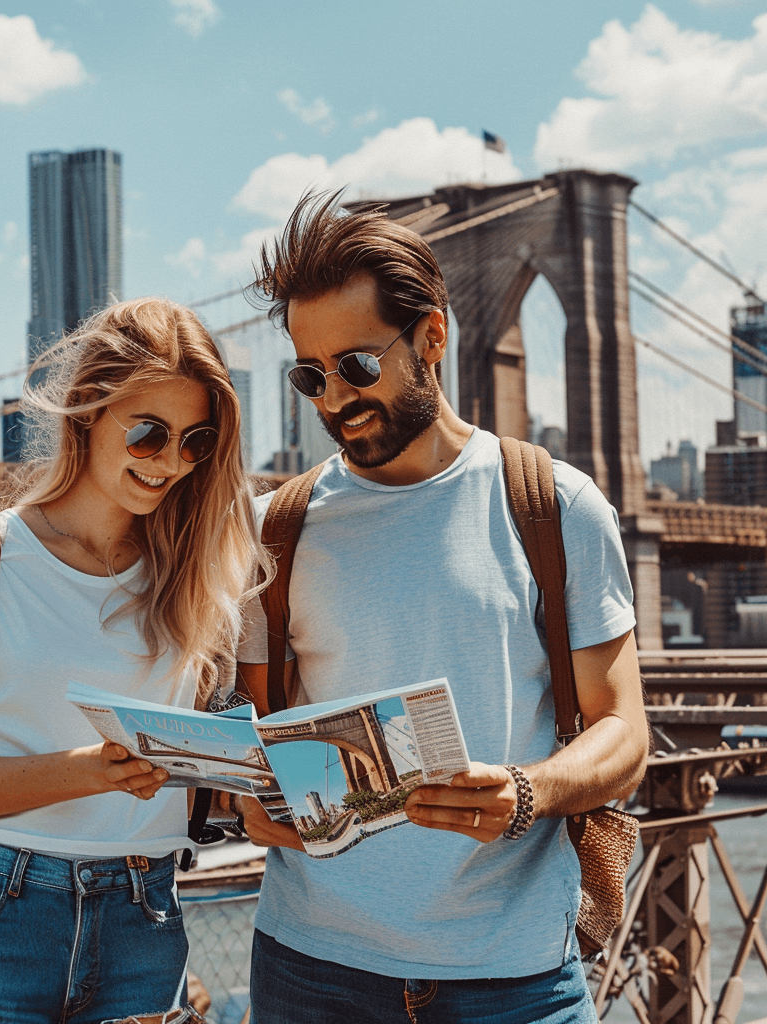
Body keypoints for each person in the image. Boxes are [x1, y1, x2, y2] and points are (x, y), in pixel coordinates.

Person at [233, 192, 649, 1024]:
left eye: (356, 366)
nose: (333, 402)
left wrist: (527, 790)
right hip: (312, 971)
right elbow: (254, 727)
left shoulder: (556, 507)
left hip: (518, 979)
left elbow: (625, 734)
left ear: (432, 336)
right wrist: (251, 793)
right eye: (309, 376)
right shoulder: (270, 528)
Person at [0, 298, 269, 1024]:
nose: (170, 463)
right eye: (149, 433)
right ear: (88, 413)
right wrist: (88, 772)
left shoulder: (198, 576)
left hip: (146, 918)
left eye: (195, 443)